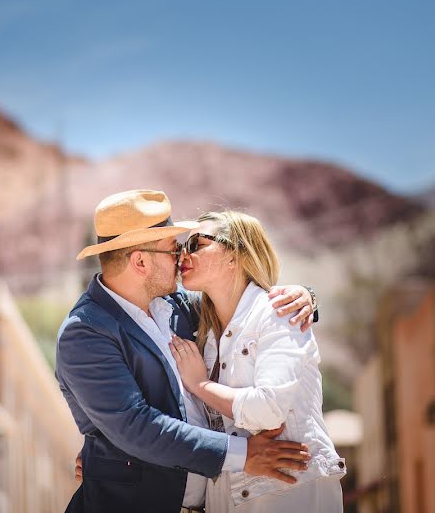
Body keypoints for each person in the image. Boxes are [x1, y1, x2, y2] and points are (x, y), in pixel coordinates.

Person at [57, 189, 318, 513]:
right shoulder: (85, 332)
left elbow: (239, 303)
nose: (181, 258)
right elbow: (137, 427)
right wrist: (243, 454)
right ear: (140, 261)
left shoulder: (178, 306)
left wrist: (303, 296)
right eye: (173, 249)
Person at [170, 210, 346, 512]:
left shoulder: (278, 314)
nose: (183, 254)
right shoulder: (202, 332)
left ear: (235, 255)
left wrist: (200, 384)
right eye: (181, 247)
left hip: (290, 497)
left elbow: (267, 410)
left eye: (196, 243)